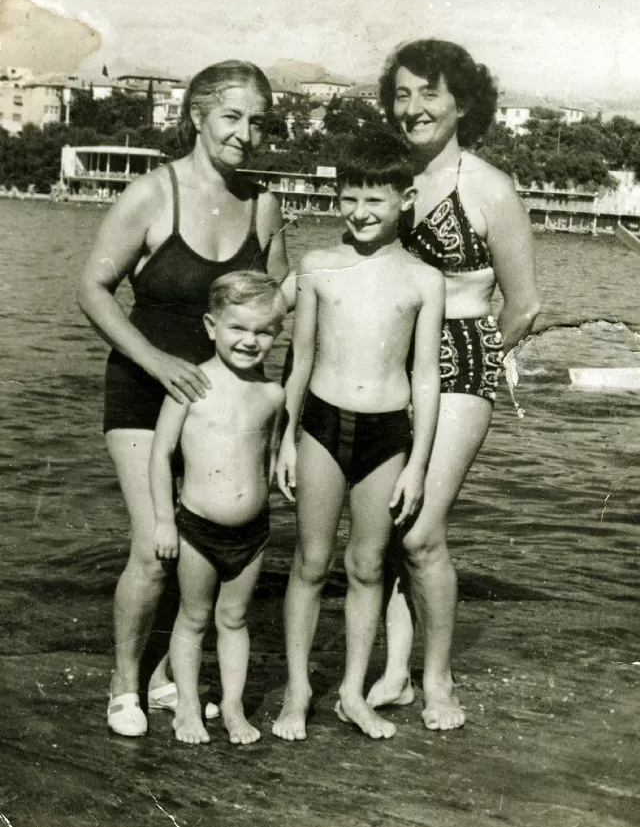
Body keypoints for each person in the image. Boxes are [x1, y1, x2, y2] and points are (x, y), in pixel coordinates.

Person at [77, 61, 289, 737]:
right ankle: (123, 684)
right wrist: (159, 361)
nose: (246, 133)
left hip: (223, 405)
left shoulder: (263, 205)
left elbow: (278, 300)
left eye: (258, 120)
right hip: (144, 389)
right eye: (232, 116)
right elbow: (92, 288)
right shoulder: (152, 194)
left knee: (212, 530)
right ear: (196, 116)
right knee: (153, 544)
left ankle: (174, 674)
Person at [365, 39, 540, 730]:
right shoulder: (386, 173)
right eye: (402, 94)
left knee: (422, 532)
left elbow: (524, 304)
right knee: (382, 528)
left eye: (429, 93)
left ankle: (436, 680)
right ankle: (394, 674)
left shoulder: (490, 188)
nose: (412, 108)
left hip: (463, 353)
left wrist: (482, 358)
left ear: (463, 102)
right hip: (386, 354)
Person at [272, 133, 445, 742]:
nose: (361, 212)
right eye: (349, 198)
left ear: (406, 197)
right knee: (312, 562)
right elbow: (299, 360)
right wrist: (286, 440)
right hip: (321, 424)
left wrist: (419, 464)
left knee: (369, 565)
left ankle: (350, 692)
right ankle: (297, 691)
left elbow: (425, 376)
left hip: (388, 436)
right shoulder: (318, 266)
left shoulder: (425, 280)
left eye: (375, 199)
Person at [151, 272, 286, 745]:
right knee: (193, 617)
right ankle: (187, 706)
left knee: (234, 619)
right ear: (212, 326)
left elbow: (267, 457)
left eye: (263, 331)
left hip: (253, 533)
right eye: (238, 328)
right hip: (196, 529)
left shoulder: (273, 395)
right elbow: (160, 452)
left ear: (277, 333)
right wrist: (165, 521)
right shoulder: (192, 385)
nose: (250, 341)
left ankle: (231, 705)